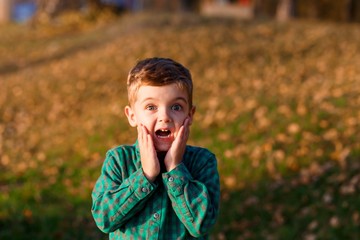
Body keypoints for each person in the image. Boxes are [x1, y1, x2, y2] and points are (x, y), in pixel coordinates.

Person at [91, 57, 220, 239]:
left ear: (190, 115)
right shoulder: (119, 160)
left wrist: (175, 168)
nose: (164, 117)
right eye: (151, 107)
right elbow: (104, 218)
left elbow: (202, 224)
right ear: (132, 116)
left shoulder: (202, 162)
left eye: (176, 107)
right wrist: (145, 175)